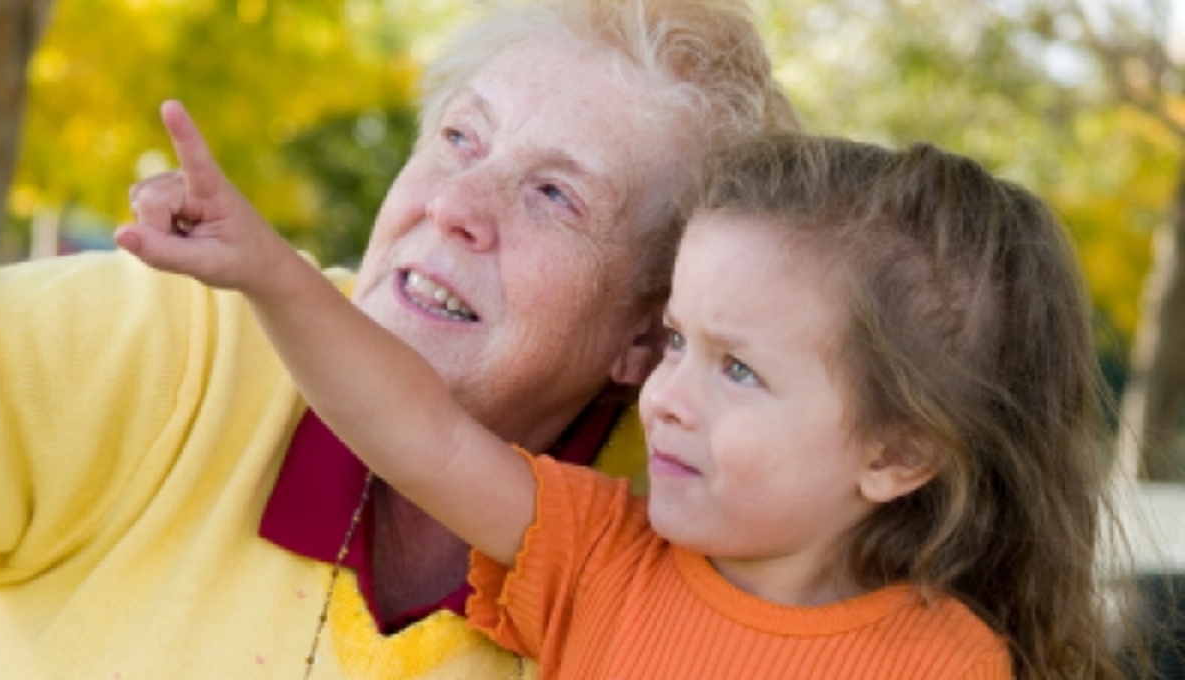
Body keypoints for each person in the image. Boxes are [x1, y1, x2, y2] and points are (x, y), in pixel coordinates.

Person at [119, 104, 1136, 677]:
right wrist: (267, 269)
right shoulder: (601, 552)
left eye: (738, 368)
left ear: (896, 453)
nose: (669, 396)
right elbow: (417, 431)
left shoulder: (941, 663)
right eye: (678, 341)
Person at [0, 1, 799, 678]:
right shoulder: (175, 335)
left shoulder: (692, 553)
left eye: (555, 195)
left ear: (645, 336)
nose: (455, 205)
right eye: (458, 139)